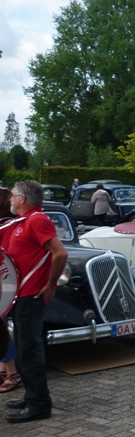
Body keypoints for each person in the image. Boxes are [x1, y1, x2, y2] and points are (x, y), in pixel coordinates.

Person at [3, 180, 69, 423]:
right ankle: (31, 395)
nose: (10, 199)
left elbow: (60, 253)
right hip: (20, 297)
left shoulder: (37, 220)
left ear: (23, 199)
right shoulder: (21, 222)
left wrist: (50, 285)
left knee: (30, 351)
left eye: (13, 195)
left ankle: (39, 404)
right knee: (23, 349)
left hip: (31, 297)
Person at [0, 188, 21, 394]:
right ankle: (3, 369)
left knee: (1, 327)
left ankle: (12, 373)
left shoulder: (8, 224)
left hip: (4, 282)